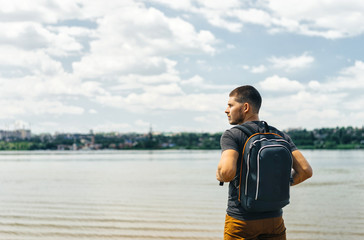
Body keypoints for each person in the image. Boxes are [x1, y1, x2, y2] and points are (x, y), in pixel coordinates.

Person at [216, 85, 313, 240]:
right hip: (274, 220)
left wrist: (219, 174)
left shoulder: (232, 135)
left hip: (241, 220)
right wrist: (280, 183)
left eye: (230, 105)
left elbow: (227, 173)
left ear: (245, 107)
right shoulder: (279, 135)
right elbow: (306, 171)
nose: (226, 110)